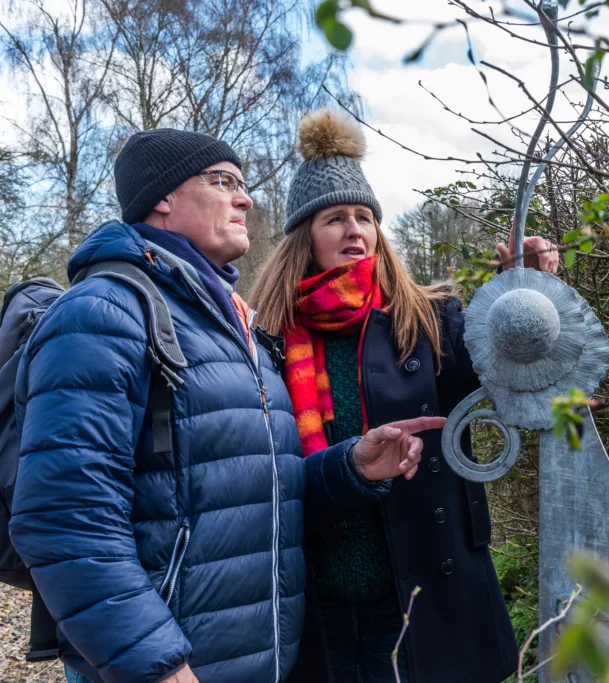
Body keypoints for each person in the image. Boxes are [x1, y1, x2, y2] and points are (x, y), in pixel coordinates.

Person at [9, 129, 435, 683]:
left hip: (250, 659)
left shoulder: (235, 327)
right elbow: (65, 519)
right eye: (224, 182)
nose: (246, 199)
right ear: (163, 197)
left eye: (243, 185)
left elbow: (257, 496)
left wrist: (350, 467)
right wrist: (158, 665)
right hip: (170, 664)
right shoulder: (102, 313)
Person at [249, 109, 558, 683]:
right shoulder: (265, 335)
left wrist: (523, 293)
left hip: (422, 589)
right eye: (335, 218)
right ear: (304, 237)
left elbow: (510, 382)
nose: (355, 230)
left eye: (365, 217)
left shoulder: (429, 317)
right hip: (315, 597)